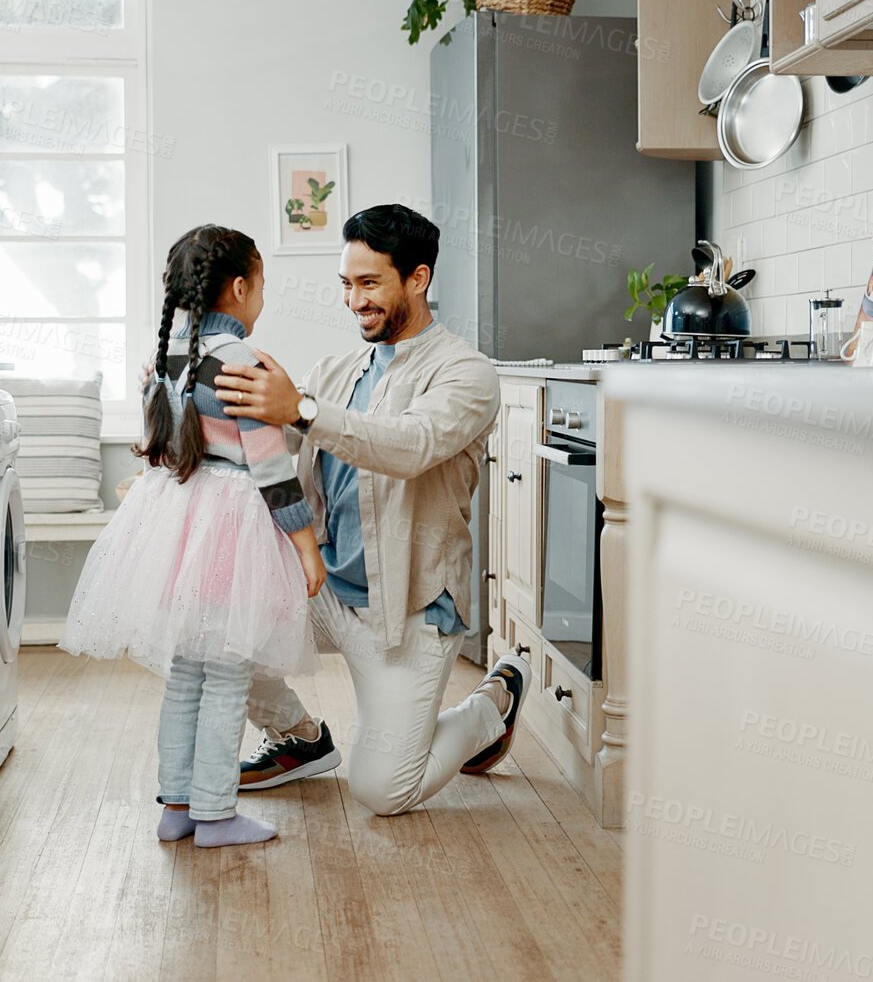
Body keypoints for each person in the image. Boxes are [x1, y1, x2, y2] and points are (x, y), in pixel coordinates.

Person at [212, 203, 531, 817]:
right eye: (347, 284)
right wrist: (178, 384)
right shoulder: (334, 371)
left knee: (383, 791)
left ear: (418, 278)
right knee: (213, 629)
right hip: (326, 588)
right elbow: (268, 444)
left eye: (369, 283)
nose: (354, 300)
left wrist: (300, 410)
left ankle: (490, 706)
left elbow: (408, 447)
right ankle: (299, 740)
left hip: (406, 610)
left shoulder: (467, 372)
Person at [59, 224, 326, 848]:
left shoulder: (167, 355)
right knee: (227, 671)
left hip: (177, 516)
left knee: (185, 673)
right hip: (232, 521)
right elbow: (271, 467)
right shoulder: (242, 365)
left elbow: (162, 445)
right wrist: (307, 548)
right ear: (238, 287)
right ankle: (216, 813)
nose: (262, 300)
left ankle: (176, 806)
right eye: (261, 287)